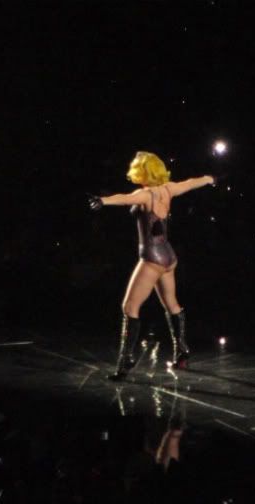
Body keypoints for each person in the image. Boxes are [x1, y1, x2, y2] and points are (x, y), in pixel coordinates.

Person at [89, 151, 218, 381]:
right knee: (172, 304)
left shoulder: (145, 195)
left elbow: (124, 198)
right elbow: (190, 183)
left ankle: (126, 359)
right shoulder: (169, 189)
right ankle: (182, 351)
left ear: (142, 172)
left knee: (129, 307)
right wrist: (209, 179)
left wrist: (103, 200)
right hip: (168, 256)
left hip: (152, 259)